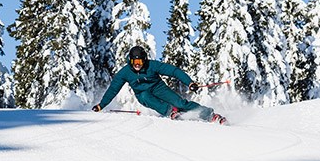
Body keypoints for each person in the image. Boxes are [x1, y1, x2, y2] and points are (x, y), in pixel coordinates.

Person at [92, 46, 226, 124]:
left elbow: (174, 71)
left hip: (158, 88)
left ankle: (211, 115)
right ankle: (170, 112)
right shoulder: (125, 72)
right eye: (134, 61)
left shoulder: (152, 65)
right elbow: (113, 89)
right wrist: (101, 105)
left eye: (139, 61)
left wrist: (189, 82)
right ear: (130, 61)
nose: (137, 64)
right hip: (143, 94)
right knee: (144, 95)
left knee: (181, 103)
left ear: (144, 60)